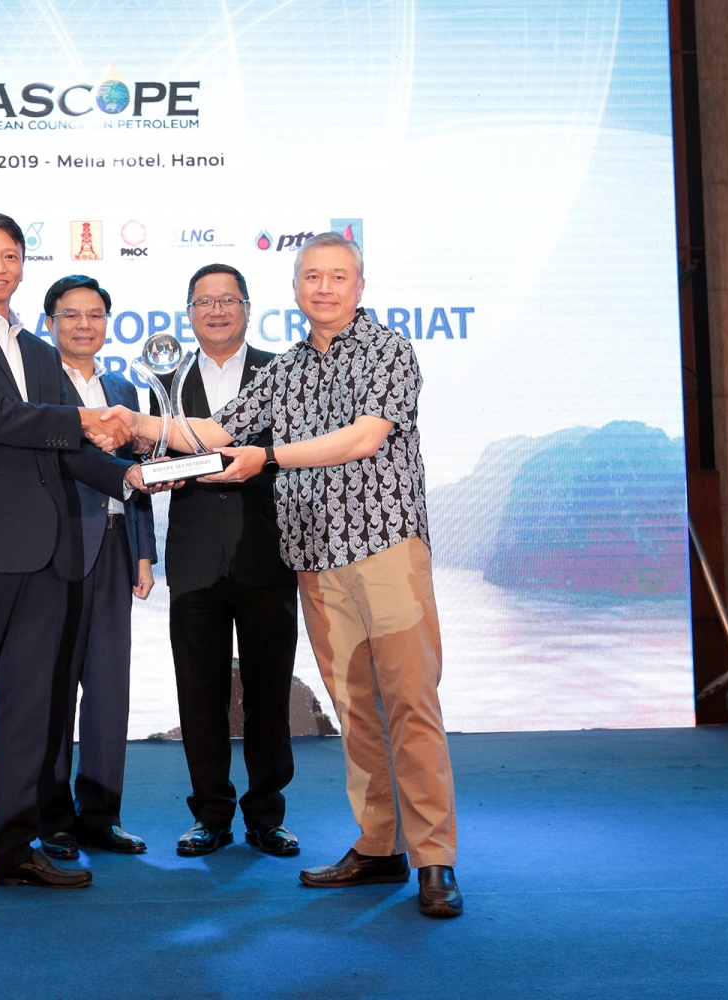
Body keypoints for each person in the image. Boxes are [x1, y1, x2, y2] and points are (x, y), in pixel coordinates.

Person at [99, 231, 463, 918]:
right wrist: (138, 423)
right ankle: (379, 846)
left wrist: (268, 457)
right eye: (312, 277)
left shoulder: (387, 349)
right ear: (295, 290)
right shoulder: (287, 368)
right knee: (356, 710)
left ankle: (435, 857)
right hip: (315, 560)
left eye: (338, 276)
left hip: (385, 547)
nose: (324, 288)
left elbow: (365, 437)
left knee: (410, 703)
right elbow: (217, 432)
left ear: (359, 286)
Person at [0, 213, 147, 918]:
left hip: (45, 555)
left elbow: (70, 452)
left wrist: (131, 479)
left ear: (21, 264)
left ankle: (13, 852)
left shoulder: (41, 354)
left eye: (10, 256)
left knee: (29, 712)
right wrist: (82, 422)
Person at [150, 264, 300, 859]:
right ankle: (210, 813)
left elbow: (296, 454)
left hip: (267, 553)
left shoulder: (281, 372)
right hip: (193, 560)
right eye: (204, 302)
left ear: (247, 308)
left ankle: (267, 815)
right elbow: (151, 455)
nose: (216, 311)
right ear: (189, 313)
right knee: (199, 693)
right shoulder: (164, 379)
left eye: (227, 300)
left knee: (269, 692)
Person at [37, 275, 158, 860]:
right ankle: (54, 820)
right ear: (50, 323)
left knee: (110, 689)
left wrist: (143, 550)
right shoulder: (38, 384)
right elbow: (58, 460)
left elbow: (138, 476)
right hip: (56, 549)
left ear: (107, 323)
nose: (84, 324)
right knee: (54, 687)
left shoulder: (122, 389)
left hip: (114, 548)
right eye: (71, 314)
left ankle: (102, 816)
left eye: (94, 314)